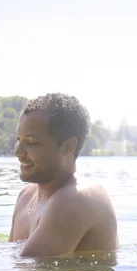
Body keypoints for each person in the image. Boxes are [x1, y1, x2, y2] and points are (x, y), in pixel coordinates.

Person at [9, 93, 118, 258]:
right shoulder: (26, 196)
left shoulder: (75, 200)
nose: (17, 151)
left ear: (68, 146)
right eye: (18, 139)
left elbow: (24, 267)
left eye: (32, 142)